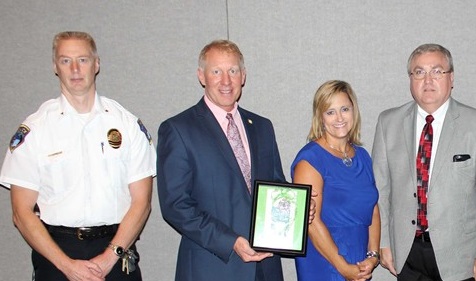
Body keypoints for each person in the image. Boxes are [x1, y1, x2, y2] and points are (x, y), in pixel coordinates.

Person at [0, 31, 156, 281]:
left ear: (97, 64)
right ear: (55, 66)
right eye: (65, 60)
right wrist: (66, 265)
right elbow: (21, 212)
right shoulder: (36, 129)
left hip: (116, 249)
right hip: (56, 254)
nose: (74, 68)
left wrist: (109, 257)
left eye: (82, 59)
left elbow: (142, 202)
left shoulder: (126, 124)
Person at [374, 43, 476, 281]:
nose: (428, 80)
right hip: (407, 253)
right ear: (410, 79)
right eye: (419, 72)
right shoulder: (388, 123)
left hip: (460, 257)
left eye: (437, 71)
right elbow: (381, 190)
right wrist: (383, 242)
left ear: (451, 78)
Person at [157, 40, 287, 280]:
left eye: (233, 71)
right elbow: (175, 205)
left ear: (243, 76)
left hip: (265, 269)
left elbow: (276, 187)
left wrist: (297, 210)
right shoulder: (178, 129)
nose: (226, 81)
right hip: (213, 267)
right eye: (216, 71)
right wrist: (231, 242)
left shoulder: (262, 127)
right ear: (201, 76)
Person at [292, 80, 380, 281]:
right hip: (325, 262)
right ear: (320, 117)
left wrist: (373, 256)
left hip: (358, 261)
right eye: (330, 112)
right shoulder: (310, 159)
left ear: (353, 111)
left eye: (344, 109)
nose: (339, 118)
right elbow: (311, 223)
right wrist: (343, 268)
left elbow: (373, 208)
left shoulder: (363, 156)